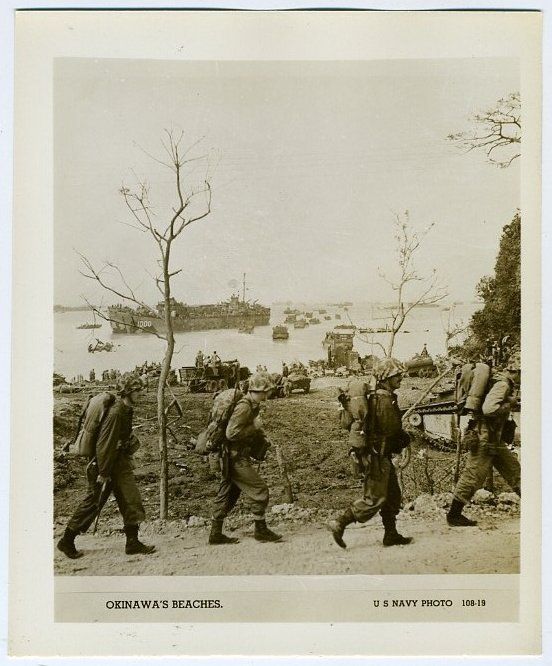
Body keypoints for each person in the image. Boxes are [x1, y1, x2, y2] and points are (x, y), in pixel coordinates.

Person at [57, 374, 156, 559]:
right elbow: (104, 445)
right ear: (127, 392)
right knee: (93, 503)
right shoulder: (116, 413)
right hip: (105, 465)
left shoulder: (127, 409)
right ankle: (67, 540)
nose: (141, 393)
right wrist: (103, 472)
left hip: (119, 463)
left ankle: (132, 542)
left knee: (131, 499)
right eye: (137, 390)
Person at [328, 358, 412, 548]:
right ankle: (340, 522)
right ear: (386, 377)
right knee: (373, 499)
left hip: (380, 456)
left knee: (392, 495)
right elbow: (390, 429)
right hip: (377, 457)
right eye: (396, 375)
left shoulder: (380, 397)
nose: (401, 378)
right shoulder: (383, 400)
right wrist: (404, 438)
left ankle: (391, 534)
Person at [447, 351, 521, 527]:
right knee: (473, 475)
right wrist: (508, 405)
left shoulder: (500, 380)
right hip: (484, 437)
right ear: (517, 371)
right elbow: (488, 409)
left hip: (493, 438)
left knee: (514, 470)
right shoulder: (503, 384)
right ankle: (454, 515)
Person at [209, 373, 282, 545]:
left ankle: (215, 533)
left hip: (230, 456)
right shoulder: (245, 406)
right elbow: (232, 433)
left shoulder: (250, 404)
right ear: (260, 390)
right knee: (259, 489)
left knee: (228, 494)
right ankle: (260, 529)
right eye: (267, 391)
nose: (268, 395)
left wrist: (260, 434)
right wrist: (253, 427)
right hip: (235, 458)